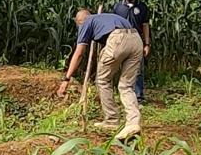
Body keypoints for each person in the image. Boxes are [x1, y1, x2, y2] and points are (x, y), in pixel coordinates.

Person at [57, 9, 143, 141]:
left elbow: (79, 53)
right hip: (136, 40)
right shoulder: (105, 18)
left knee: (103, 80)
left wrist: (66, 78)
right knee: (126, 86)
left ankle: (112, 119)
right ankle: (133, 123)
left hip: (117, 39)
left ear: (79, 22)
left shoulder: (86, 22)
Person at [113, 0, 151, 103]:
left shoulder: (142, 7)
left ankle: (139, 97)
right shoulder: (118, 7)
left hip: (137, 41)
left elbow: (145, 25)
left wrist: (147, 44)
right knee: (122, 68)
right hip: (121, 41)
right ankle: (123, 95)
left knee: (138, 70)